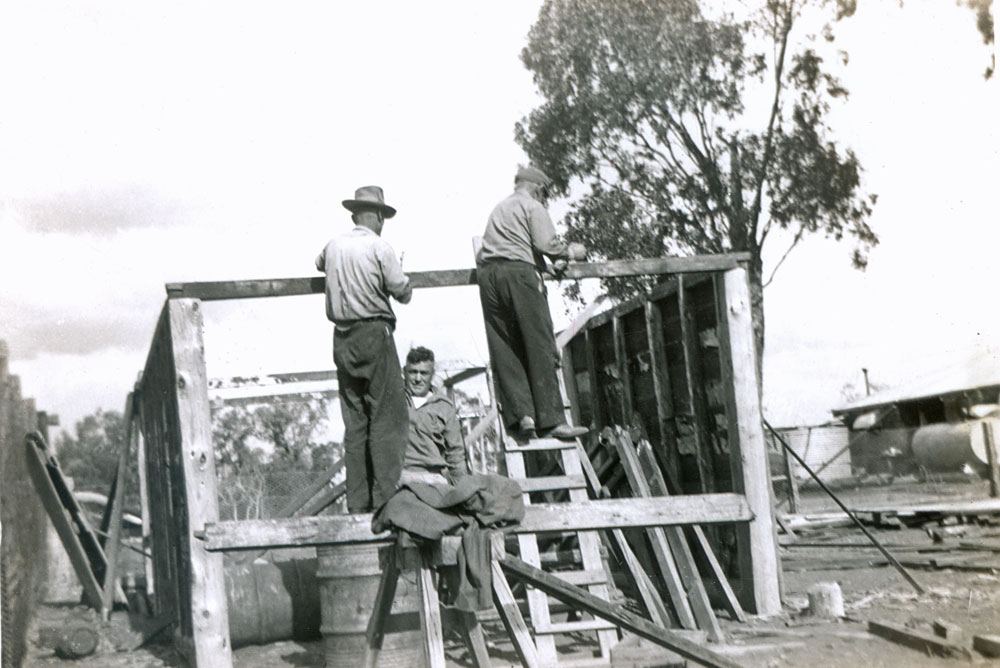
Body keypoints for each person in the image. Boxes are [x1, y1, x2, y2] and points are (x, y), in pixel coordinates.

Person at [316, 185, 411, 513]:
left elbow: (318, 264)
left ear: (355, 215)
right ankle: (385, 504)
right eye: (382, 217)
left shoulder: (333, 245)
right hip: (374, 333)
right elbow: (401, 288)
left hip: (342, 338)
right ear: (379, 218)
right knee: (387, 419)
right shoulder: (379, 247)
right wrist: (403, 287)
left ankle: (358, 505)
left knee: (355, 422)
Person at [476, 165, 589, 440]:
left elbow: (501, 250)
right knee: (540, 345)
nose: (544, 198)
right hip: (519, 277)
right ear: (538, 188)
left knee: (506, 348)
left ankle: (523, 416)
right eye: (544, 193)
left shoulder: (499, 209)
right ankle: (552, 421)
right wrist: (572, 252)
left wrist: (541, 266)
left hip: (489, 277)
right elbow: (548, 245)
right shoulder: (533, 207)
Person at [399, 346, 469, 486]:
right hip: (400, 477)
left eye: (424, 373)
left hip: (433, 478)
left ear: (432, 374)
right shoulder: (392, 401)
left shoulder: (444, 407)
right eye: (413, 372)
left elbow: (455, 453)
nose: (418, 379)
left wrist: (460, 490)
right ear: (404, 372)